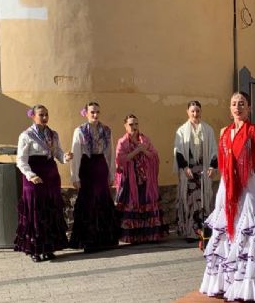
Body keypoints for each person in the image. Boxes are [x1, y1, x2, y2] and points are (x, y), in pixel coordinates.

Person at [199, 92, 255, 303]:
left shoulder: (254, 131)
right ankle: (228, 282)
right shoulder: (223, 132)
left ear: (249, 108)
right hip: (227, 188)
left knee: (250, 232)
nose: (237, 107)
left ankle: (253, 283)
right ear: (230, 109)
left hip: (249, 186)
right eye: (233, 104)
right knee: (226, 234)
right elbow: (222, 163)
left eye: (241, 104)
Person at [14, 105, 72, 262]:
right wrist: (30, 175)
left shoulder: (53, 134)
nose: (45, 117)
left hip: (51, 176)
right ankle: (35, 250)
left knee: (50, 211)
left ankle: (49, 248)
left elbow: (58, 153)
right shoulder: (26, 135)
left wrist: (65, 157)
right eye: (41, 114)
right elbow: (21, 160)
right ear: (33, 116)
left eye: (47, 114)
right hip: (34, 176)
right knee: (36, 212)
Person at [70, 101, 119, 252]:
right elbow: (76, 154)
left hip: (100, 166)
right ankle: (88, 241)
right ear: (86, 113)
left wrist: (112, 174)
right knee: (89, 202)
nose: (95, 115)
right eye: (92, 112)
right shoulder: (80, 131)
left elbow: (110, 153)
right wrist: (74, 177)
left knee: (103, 200)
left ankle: (105, 240)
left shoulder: (106, 130)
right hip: (87, 167)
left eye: (97, 112)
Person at [115, 114, 168, 243]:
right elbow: (120, 160)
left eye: (136, 124)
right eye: (131, 124)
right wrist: (137, 151)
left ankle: (149, 235)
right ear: (125, 126)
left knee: (147, 204)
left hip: (145, 180)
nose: (134, 127)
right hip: (130, 181)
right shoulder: (122, 142)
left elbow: (154, 156)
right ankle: (133, 236)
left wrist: (143, 150)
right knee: (133, 205)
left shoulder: (145, 140)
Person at [173, 100, 217, 241]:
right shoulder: (181, 131)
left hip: (203, 171)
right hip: (189, 172)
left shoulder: (208, 130)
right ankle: (191, 232)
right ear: (188, 112)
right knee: (189, 201)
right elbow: (178, 151)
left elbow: (214, 150)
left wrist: (212, 166)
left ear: (201, 112)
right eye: (192, 111)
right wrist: (185, 167)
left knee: (205, 200)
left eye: (197, 110)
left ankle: (205, 231)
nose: (195, 113)